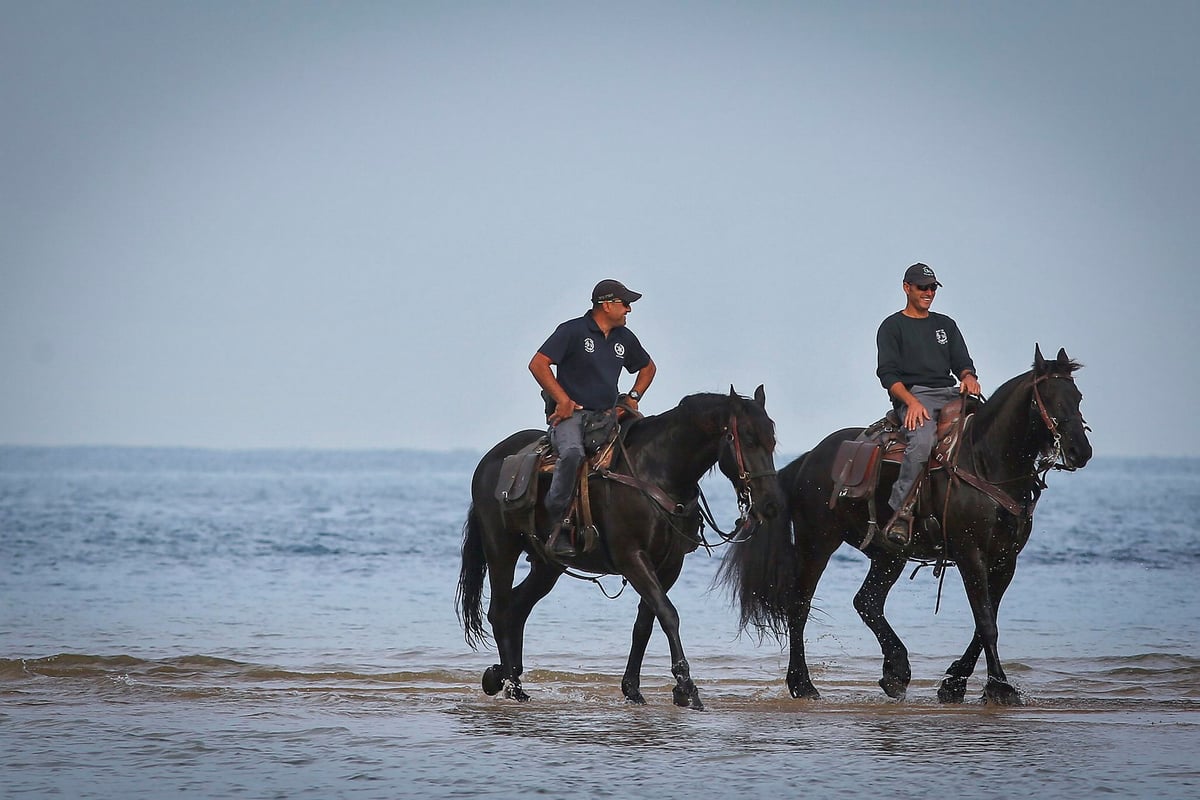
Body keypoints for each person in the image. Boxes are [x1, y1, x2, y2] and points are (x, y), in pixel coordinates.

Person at [528, 279, 656, 557]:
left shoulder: (625, 338)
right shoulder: (572, 331)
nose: (629, 310)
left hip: (609, 416)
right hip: (573, 416)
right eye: (625, 304)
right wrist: (562, 400)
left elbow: (647, 368)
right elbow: (538, 364)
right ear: (606, 305)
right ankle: (557, 523)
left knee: (646, 446)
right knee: (572, 454)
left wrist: (633, 397)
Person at [876, 263, 981, 548]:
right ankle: (901, 513)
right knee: (921, 441)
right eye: (922, 287)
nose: (928, 292)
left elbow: (962, 363)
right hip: (914, 396)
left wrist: (969, 378)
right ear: (906, 287)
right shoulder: (892, 326)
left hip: (949, 393)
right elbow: (888, 374)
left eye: (932, 287)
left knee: (986, 426)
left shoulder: (945, 325)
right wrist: (910, 403)